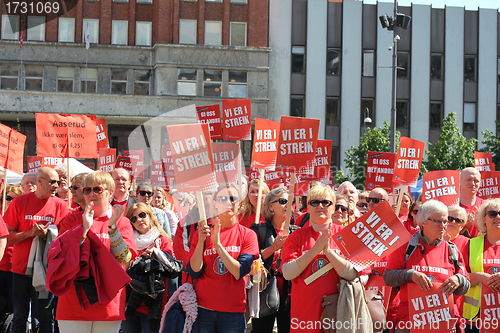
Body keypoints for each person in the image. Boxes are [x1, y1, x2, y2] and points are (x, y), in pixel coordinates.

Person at [55, 170, 136, 333]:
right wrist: (84, 229)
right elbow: (64, 258)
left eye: (97, 189)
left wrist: (112, 227)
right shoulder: (71, 220)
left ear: (110, 193)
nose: (91, 193)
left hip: (108, 302)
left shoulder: (122, 221)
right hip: (73, 301)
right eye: (87, 190)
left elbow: (123, 259)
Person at [384, 200, 470, 333]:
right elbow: (388, 278)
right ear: (423, 222)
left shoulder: (452, 250)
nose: (443, 226)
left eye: (445, 221)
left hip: (444, 323)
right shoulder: (406, 247)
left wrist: (458, 279)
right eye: (437, 221)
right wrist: (411, 274)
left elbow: (466, 285)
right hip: (409, 323)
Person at [282, 184, 358, 333]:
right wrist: (315, 250)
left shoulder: (346, 235)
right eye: (314, 202)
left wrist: (328, 252)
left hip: (338, 314)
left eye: (326, 202)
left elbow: (352, 274)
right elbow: (288, 273)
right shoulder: (296, 236)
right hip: (304, 317)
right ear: (308, 208)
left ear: (333, 207)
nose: (320, 206)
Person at [5, 167, 69, 333]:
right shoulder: (19, 202)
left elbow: (65, 239)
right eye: (52, 182)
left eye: (58, 182)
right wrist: (30, 233)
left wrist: (50, 234)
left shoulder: (61, 205)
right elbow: (7, 236)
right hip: (20, 270)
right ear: (39, 181)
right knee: (19, 316)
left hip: (47, 272)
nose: (57, 185)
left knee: (45, 317)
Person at [188, 183, 259, 333]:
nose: (228, 202)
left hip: (233, 313)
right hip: (203, 310)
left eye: (233, 198)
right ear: (215, 203)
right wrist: (201, 241)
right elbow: (194, 272)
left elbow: (240, 272)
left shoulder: (248, 235)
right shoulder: (202, 233)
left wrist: (218, 246)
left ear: (240, 204)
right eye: (222, 199)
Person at [250, 187, 297, 333]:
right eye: (283, 201)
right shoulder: (258, 230)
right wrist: (274, 248)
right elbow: (251, 259)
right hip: (265, 291)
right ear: (270, 206)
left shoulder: (297, 231)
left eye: (291, 202)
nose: (288, 205)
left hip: (290, 294)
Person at [122, 202, 174, 333]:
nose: (139, 220)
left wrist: (156, 254)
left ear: (150, 216)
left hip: (153, 307)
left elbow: (171, 268)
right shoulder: (128, 242)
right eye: (133, 219)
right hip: (129, 304)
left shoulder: (162, 241)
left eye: (142, 215)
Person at [463, 198, 500, 332]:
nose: (498, 217)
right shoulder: (470, 244)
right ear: (483, 218)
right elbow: (459, 279)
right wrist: (479, 277)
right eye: (492, 214)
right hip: (474, 320)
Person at [459, 167, 483, 238]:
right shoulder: (451, 205)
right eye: (468, 180)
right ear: (459, 181)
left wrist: (480, 226)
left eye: (476, 180)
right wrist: (464, 228)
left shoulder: (486, 206)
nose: (472, 183)